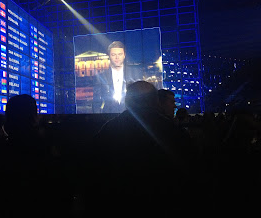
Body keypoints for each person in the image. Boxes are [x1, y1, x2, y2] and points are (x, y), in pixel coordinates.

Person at [84, 81, 203, 217]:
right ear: (156, 101)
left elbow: (92, 175)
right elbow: (193, 175)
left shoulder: (107, 131)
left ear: (127, 101)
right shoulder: (175, 133)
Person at [92, 41, 143, 113]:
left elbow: (141, 98)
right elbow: (96, 102)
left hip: (132, 117)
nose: (117, 57)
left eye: (120, 54)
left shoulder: (135, 73)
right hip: (109, 117)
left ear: (124, 55)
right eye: (113, 55)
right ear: (109, 56)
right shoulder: (101, 76)